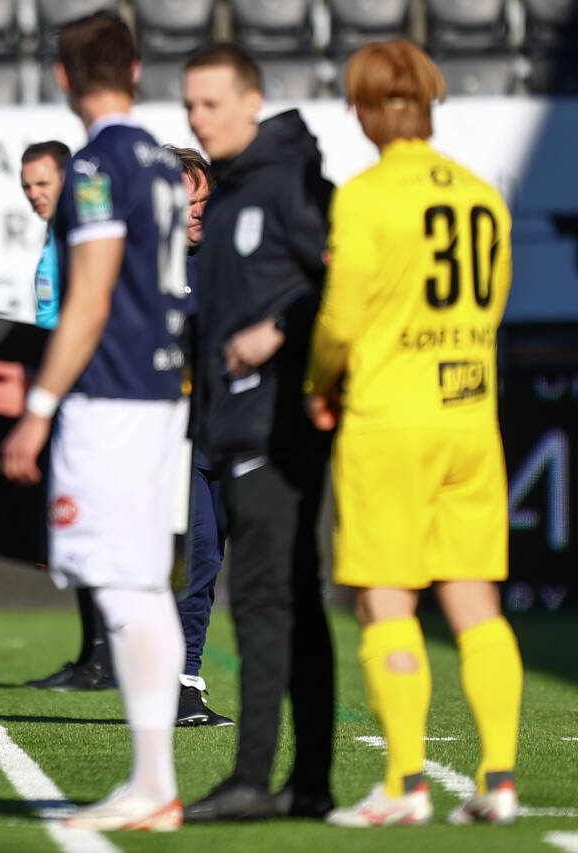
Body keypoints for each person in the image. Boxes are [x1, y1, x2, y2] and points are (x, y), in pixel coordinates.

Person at [306, 40, 521, 828]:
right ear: (428, 104)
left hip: (390, 421)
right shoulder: (482, 194)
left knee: (385, 602)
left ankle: (404, 785)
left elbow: (339, 319)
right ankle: (498, 779)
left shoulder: (364, 197)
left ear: (364, 110)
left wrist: (317, 383)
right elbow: (492, 303)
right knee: (476, 603)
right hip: (471, 417)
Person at [0, 11, 192, 831]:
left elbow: (90, 293)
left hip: (110, 399)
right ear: (139, 70)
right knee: (142, 581)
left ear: (63, 78)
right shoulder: (160, 161)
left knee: (121, 584)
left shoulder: (96, 166)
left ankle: (153, 782)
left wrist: (38, 409)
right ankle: (155, 779)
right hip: (159, 394)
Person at [178, 43, 337, 821]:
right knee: (292, 600)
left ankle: (252, 778)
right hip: (238, 425)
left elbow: (339, 277)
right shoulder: (239, 189)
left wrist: (278, 329)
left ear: (252, 100)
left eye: (212, 104)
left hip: (278, 426)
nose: (199, 119)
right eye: (190, 107)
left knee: (266, 598)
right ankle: (308, 780)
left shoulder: (287, 182)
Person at [10, 139, 118, 693]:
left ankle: (105, 660)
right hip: (64, 392)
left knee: (92, 526)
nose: (34, 195)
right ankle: (90, 655)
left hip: (83, 394)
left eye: (42, 184)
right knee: (75, 527)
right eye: (27, 186)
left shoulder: (81, 239)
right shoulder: (57, 234)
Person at [163, 144, 233, 728]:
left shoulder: (228, 260)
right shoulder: (139, 268)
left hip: (227, 436)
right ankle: (177, 681)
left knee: (209, 562)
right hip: (168, 441)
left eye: (203, 201)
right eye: (185, 203)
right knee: (192, 559)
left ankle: (182, 680)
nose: (196, 213)